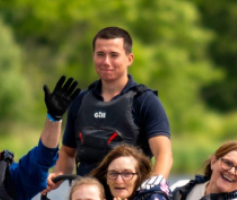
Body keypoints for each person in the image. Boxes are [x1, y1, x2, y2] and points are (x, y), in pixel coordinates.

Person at [46, 27, 172, 189]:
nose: (106, 61)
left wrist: (154, 188)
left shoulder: (146, 101)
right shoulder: (80, 101)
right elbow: (68, 153)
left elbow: (164, 154)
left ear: (129, 58)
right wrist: (55, 179)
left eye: (114, 55)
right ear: (93, 57)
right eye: (100, 54)